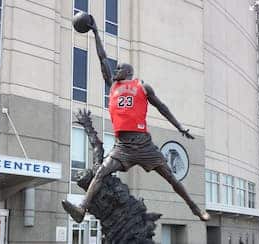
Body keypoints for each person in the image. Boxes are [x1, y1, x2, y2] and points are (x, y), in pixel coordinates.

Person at [62, 15, 210, 223]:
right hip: (123, 146)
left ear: (128, 71)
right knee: (101, 172)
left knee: (171, 178)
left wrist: (180, 127)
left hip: (143, 144)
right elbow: (102, 58)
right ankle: (81, 208)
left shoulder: (142, 86)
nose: (116, 70)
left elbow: (162, 107)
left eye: (120, 68)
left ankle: (196, 209)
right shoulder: (113, 86)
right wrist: (95, 33)